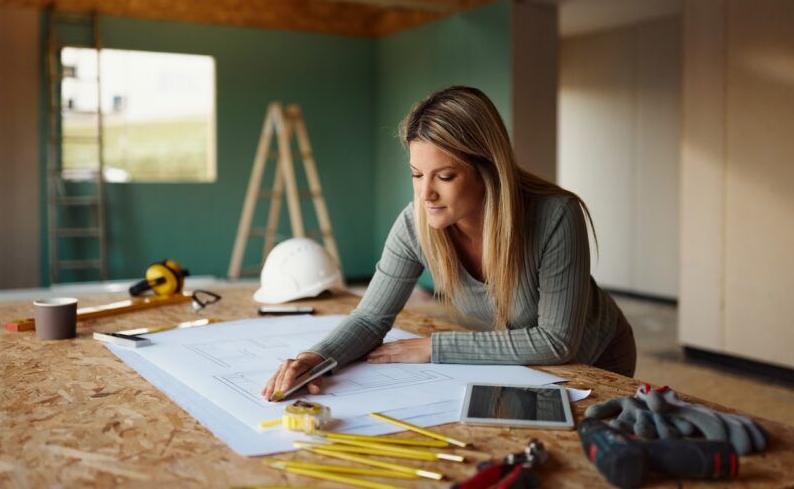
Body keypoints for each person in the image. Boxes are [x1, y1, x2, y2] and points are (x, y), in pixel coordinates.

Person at [262, 86, 636, 401]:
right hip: (532, 367)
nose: (426, 193)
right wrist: (317, 358)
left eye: (444, 176)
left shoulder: (556, 216)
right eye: (416, 174)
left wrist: (435, 347)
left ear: (487, 170)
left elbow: (556, 342)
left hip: (597, 359)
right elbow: (371, 318)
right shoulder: (415, 224)